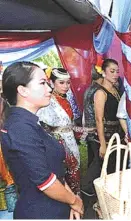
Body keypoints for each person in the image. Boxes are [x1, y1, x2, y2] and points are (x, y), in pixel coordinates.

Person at [0, 62, 83, 219]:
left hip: (55, 207)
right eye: (42, 83)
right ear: (22, 90)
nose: (49, 88)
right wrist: (74, 201)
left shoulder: (30, 122)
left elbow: (54, 170)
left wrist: (70, 199)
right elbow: (45, 181)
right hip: (41, 212)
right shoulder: (20, 128)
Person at [81, 58, 125, 196]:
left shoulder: (116, 90)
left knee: (112, 166)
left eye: (117, 71)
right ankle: (91, 192)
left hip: (115, 134)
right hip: (103, 136)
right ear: (104, 73)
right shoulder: (100, 92)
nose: (115, 74)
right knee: (101, 166)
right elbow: (99, 119)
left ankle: (109, 193)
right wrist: (102, 144)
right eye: (112, 71)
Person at [37, 68, 81, 196]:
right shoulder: (47, 101)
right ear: (51, 82)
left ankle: (77, 204)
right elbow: (40, 125)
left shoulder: (66, 99)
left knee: (75, 175)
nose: (66, 86)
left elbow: (68, 125)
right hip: (57, 145)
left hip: (71, 142)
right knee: (63, 177)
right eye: (61, 83)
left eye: (68, 83)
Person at [82, 65, 103, 170]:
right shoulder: (99, 90)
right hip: (95, 130)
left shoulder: (89, 88)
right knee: (98, 162)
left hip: (89, 130)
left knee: (92, 159)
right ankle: (90, 184)